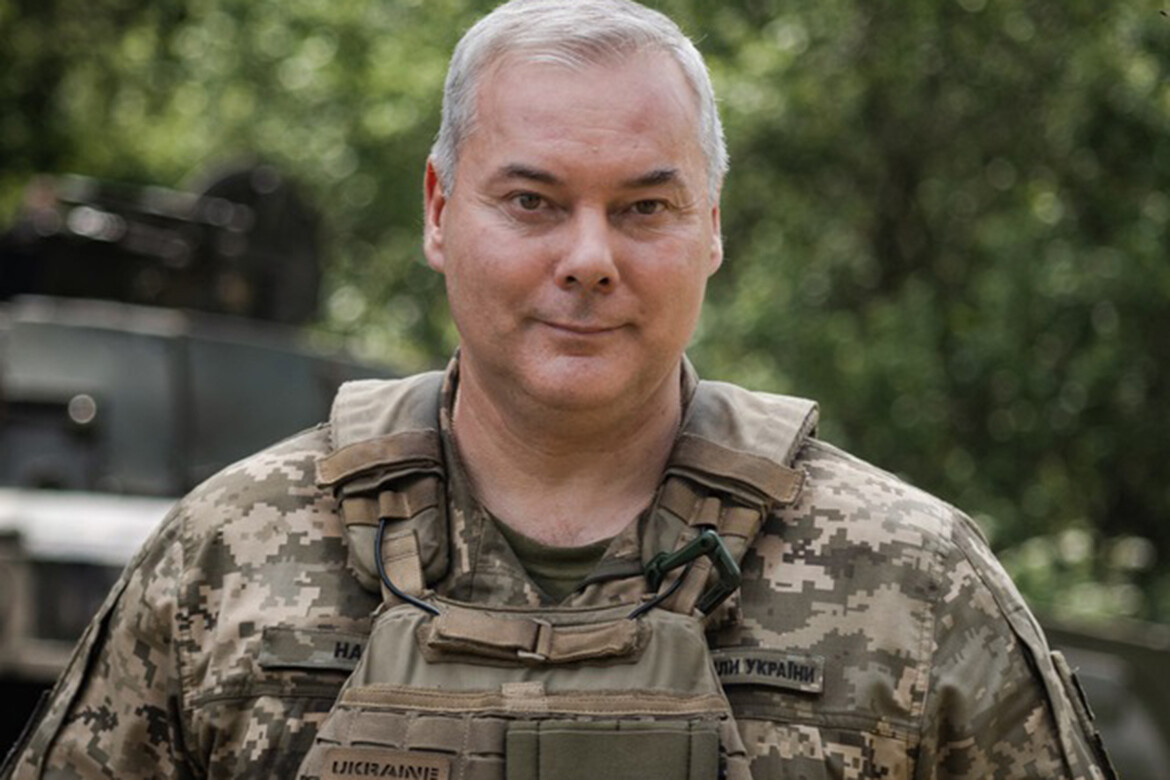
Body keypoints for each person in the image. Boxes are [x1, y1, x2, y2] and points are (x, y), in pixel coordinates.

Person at [3, 1, 1117, 778]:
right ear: (440, 211)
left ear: (712, 228)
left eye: (644, 208)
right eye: (532, 202)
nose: (589, 258)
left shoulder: (915, 586)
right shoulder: (226, 556)